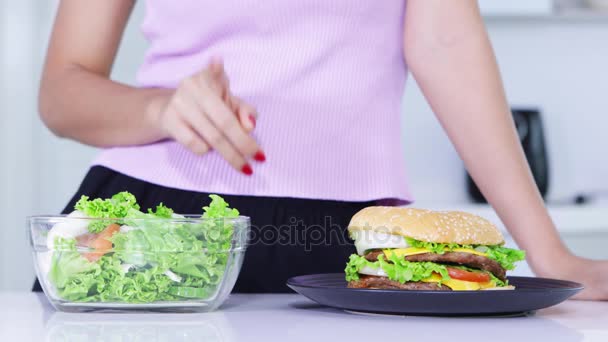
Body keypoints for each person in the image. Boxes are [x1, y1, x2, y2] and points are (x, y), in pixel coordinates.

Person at [35, 0, 607, 299]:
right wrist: (158, 110)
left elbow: (445, 43)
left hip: (351, 242)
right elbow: (62, 90)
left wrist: (548, 253)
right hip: (156, 227)